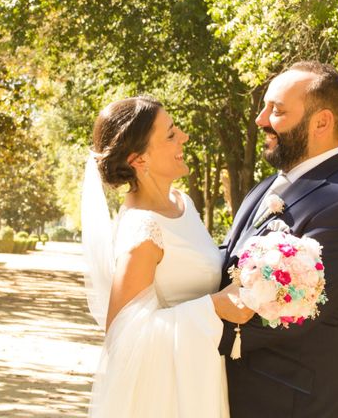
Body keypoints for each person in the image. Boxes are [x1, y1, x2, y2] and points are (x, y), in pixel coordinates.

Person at [219, 61, 338, 418]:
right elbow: (228, 263)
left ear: (321, 122)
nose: (261, 119)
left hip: (300, 405)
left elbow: (288, 317)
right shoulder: (268, 186)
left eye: (276, 110)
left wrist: (179, 326)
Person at [81, 97, 253, 418]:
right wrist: (213, 307)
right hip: (168, 395)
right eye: (171, 134)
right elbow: (122, 335)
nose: (184, 137)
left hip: (202, 373)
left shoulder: (182, 202)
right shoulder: (142, 229)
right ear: (140, 159)